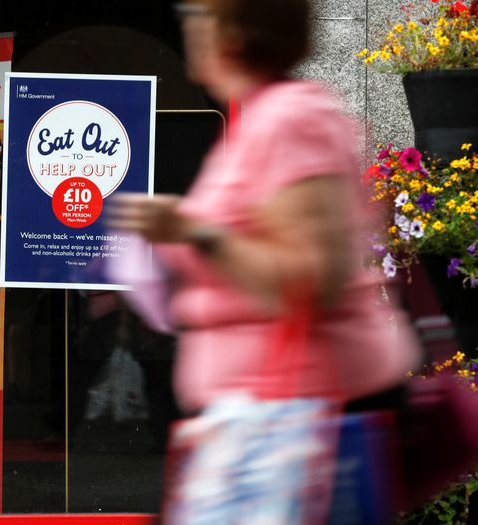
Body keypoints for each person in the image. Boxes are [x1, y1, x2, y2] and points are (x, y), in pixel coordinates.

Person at [107, 0, 420, 520]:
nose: (188, 23)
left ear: (237, 29)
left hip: (296, 433)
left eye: (198, 12)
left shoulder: (291, 120)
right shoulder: (262, 119)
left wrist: (189, 229)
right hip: (260, 425)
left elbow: (309, 277)